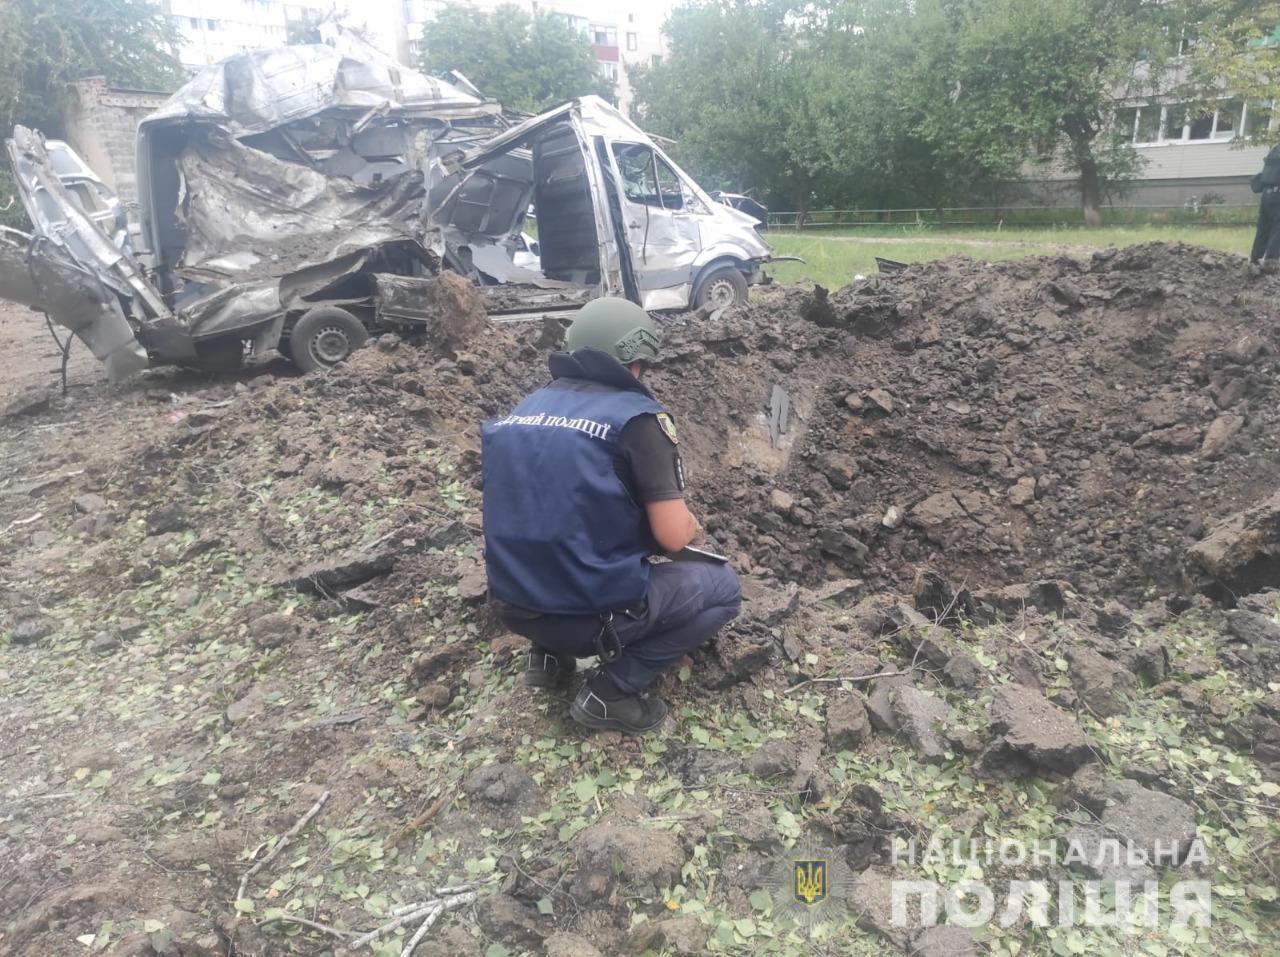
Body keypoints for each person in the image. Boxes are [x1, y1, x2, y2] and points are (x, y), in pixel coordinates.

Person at [480, 297, 742, 735]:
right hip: (587, 618)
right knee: (724, 589)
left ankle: (546, 659)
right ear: (636, 361)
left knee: (558, 536)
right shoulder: (638, 421)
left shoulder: (522, 412)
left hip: (513, 607)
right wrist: (689, 524)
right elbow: (674, 537)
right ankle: (613, 691)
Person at [1250, 143, 1280, 264]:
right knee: (1278, 229)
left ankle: (1255, 259)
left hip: (1266, 194)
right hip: (1278, 195)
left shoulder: (1275, 148)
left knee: (1263, 228)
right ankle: (1270, 262)